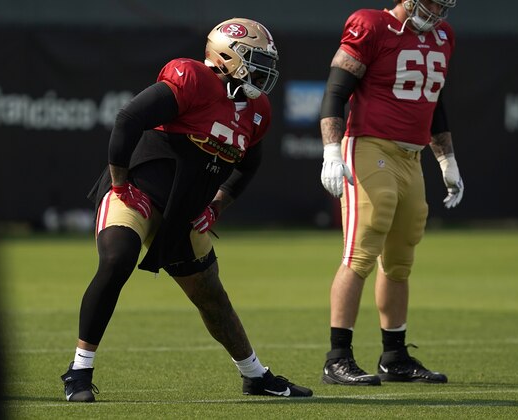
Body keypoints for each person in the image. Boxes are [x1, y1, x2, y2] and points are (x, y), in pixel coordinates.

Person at [60, 18, 312, 402]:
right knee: (117, 258)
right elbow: (129, 118)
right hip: (139, 194)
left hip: (185, 211)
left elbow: (249, 165)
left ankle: (255, 376)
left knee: (211, 294)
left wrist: (219, 203)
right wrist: (120, 185)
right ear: (226, 55)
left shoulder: (257, 110)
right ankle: (79, 371)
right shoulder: (193, 78)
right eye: (255, 59)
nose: (263, 70)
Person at [318, 0, 463, 386]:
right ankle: (338, 357)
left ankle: (395, 356)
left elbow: (435, 101)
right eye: (431, 2)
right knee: (362, 248)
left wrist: (446, 159)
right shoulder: (371, 26)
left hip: (412, 156)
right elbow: (335, 91)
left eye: (443, 4)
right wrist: (331, 150)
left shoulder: (443, 36)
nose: (437, 12)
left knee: (401, 257)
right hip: (369, 145)